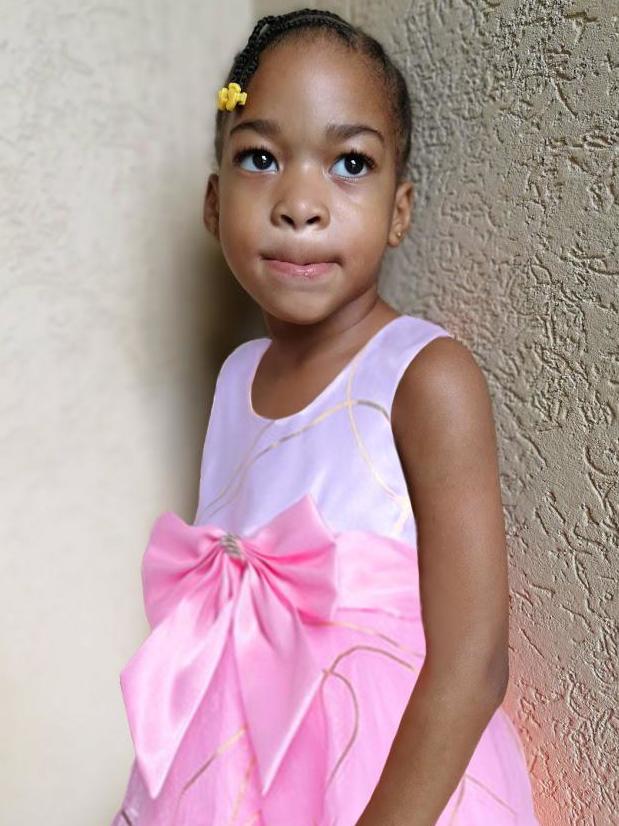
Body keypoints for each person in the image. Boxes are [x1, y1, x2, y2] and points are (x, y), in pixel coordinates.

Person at [112, 9, 540, 826]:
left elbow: (474, 662)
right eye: (260, 158)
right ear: (213, 203)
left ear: (399, 210)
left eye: (349, 163)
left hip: (384, 779)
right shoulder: (236, 378)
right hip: (236, 770)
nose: (300, 203)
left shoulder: (422, 376)